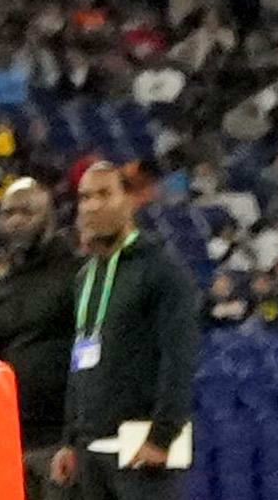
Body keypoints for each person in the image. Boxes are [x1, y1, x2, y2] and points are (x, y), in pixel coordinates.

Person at [64, 158, 202, 500]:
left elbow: (179, 359)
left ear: (129, 199)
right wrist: (69, 441)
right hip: (89, 456)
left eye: (104, 194)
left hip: (141, 454)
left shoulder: (163, 271)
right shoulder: (85, 277)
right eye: (84, 197)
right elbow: (79, 362)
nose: (92, 206)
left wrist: (161, 437)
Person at [0, 177, 85, 488]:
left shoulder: (79, 274)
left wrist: (76, 436)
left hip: (66, 440)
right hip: (13, 441)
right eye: (9, 213)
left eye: (27, 212)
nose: (16, 221)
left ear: (49, 217)